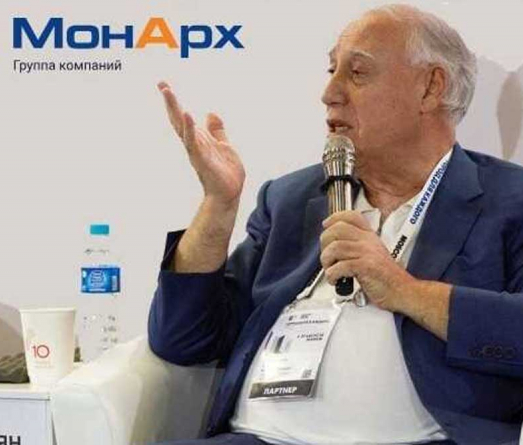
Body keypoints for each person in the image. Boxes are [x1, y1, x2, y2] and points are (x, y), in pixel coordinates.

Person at [148, 4, 523, 445]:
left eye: (357, 73)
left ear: (430, 88)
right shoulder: (290, 199)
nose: (329, 93)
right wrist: (218, 204)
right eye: (332, 70)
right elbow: (183, 340)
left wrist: (403, 289)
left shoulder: (508, 201)